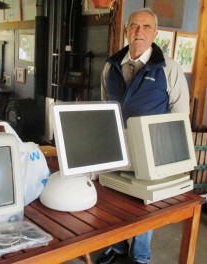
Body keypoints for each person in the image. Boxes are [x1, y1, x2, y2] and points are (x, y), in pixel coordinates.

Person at [96, 8, 189, 264]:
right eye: (134, 26)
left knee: (144, 205)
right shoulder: (110, 66)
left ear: (155, 33)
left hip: (152, 150)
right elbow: (105, 107)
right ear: (126, 31)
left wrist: (174, 158)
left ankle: (141, 256)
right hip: (117, 148)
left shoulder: (168, 69)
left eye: (147, 27)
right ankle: (116, 248)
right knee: (113, 199)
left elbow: (180, 117)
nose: (140, 32)